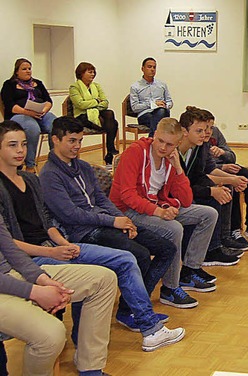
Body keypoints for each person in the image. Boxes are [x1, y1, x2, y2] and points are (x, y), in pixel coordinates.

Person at [0, 120, 185, 352]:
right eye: (12, 145)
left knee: (160, 249)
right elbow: (13, 241)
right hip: (44, 251)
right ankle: (146, 325)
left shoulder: (32, 179)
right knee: (130, 258)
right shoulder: (46, 175)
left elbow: (48, 221)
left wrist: (120, 222)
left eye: (24, 144)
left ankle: (135, 319)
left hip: (62, 242)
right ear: (55, 141)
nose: (20, 151)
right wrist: (55, 249)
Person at [39, 116, 179, 332]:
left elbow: (103, 200)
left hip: (106, 223)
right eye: (72, 141)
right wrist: (114, 221)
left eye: (79, 141)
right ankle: (132, 312)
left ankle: (128, 308)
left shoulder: (84, 167)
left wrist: (125, 222)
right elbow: (71, 215)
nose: (77, 146)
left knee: (167, 248)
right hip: (84, 233)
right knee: (139, 254)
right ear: (55, 140)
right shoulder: (49, 175)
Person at [110, 117, 218, 309]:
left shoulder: (171, 160)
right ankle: (170, 288)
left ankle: (190, 270)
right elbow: (126, 195)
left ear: (177, 144)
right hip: (128, 211)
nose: (162, 148)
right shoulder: (135, 152)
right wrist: (157, 211)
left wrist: (177, 168)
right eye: (159, 141)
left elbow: (185, 199)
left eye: (169, 145)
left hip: (156, 206)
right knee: (174, 229)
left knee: (208, 214)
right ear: (154, 135)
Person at [0, 215, 117, 375]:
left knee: (103, 279)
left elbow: (11, 250)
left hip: (11, 274)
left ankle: (91, 368)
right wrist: (35, 292)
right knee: (51, 335)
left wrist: (43, 280)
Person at [177, 107, 243, 266]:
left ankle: (217, 244)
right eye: (200, 130)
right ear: (185, 131)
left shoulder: (197, 147)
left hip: (187, 190)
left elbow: (198, 176)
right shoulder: (175, 151)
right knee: (212, 199)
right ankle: (207, 251)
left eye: (208, 129)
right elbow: (182, 187)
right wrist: (212, 190)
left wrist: (222, 184)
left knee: (222, 192)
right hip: (174, 199)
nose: (206, 133)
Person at [200, 108, 248, 244]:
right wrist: (222, 168)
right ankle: (234, 229)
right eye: (205, 127)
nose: (208, 131)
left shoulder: (216, 133)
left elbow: (232, 156)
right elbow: (204, 168)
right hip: (216, 170)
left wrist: (222, 153)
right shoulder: (198, 139)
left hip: (226, 166)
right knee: (232, 186)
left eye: (211, 127)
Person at [0, 58, 56, 172]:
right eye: (24, 69)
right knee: (32, 129)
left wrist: (44, 110)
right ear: (17, 71)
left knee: (55, 124)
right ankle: (30, 165)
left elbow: (48, 100)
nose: (28, 71)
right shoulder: (9, 84)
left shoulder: (38, 83)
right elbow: (10, 106)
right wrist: (28, 112)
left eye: (29, 69)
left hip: (40, 113)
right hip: (19, 114)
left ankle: (55, 161)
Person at [68, 62, 120, 165]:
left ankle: (109, 149)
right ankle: (110, 151)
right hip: (81, 116)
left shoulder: (96, 86)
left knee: (110, 113)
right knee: (113, 124)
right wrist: (96, 101)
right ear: (81, 73)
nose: (92, 74)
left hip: (97, 112)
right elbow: (80, 104)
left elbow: (105, 102)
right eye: (89, 72)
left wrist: (95, 106)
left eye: (93, 72)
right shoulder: (74, 87)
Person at [130, 57, 172, 138]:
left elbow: (169, 101)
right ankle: (154, 139)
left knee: (161, 112)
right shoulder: (135, 87)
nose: (152, 69)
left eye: (154, 67)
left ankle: (151, 140)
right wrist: (153, 104)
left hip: (162, 112)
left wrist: (165, 105)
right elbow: (135, 108)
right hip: (145, 115)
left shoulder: (162, 85)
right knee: (161, 120)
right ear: (142, 69)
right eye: (149, 67)